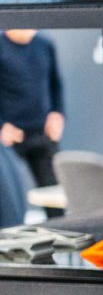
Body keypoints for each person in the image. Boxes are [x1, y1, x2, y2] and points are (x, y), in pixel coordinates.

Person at [0, 28, 65, 187]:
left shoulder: (45, 44)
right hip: (10, 137)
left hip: (43, 133)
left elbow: (55, 84)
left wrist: (58, 114)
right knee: (9, 197)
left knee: (54, 195)